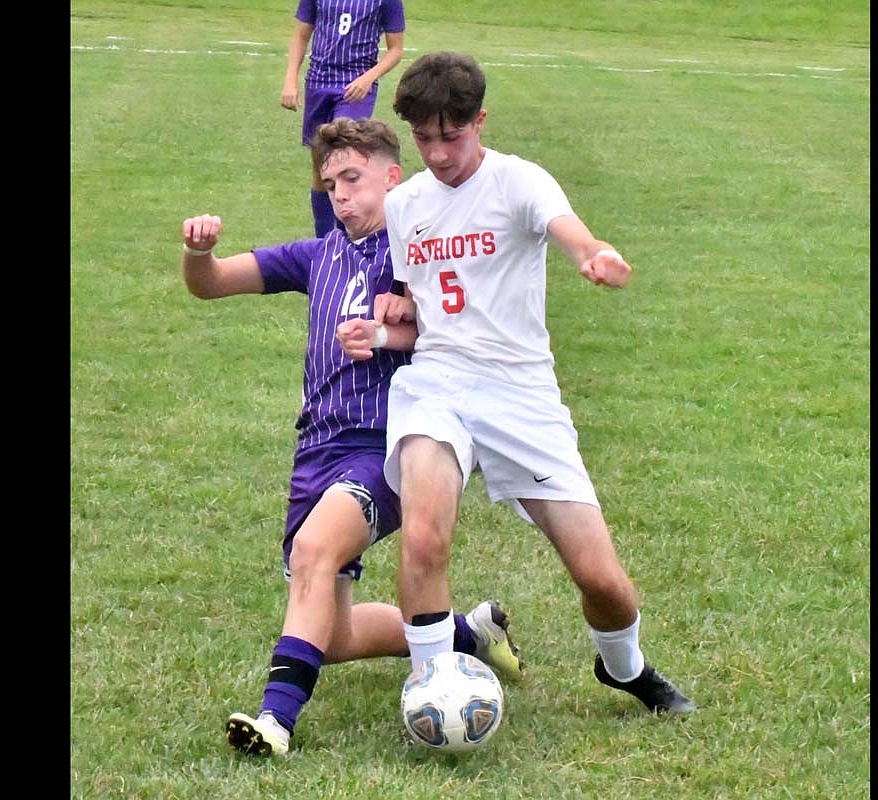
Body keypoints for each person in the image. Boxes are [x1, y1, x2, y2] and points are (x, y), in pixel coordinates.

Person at [336, 52, 695, 715]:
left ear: (481, 121)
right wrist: (389, 316)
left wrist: (597, 256)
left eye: (453, 134)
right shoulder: (405, 204)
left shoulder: (520, 182)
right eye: (424, 137)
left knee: (604, 583)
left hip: (520, 394)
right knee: (424, 535)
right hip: (436, 386)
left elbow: (573, 236)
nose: (439, 153)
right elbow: (417, 302)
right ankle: (432, 689)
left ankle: (624, 668)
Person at [179, 117, 522, 758]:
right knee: (330, 636)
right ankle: (468, 636)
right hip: (315, 449)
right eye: (330, 182)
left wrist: (398, 327)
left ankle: (276, 720)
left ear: (394, 178)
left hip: (386, 449)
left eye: (353, 179)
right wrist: (199, 252)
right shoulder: (317, 256)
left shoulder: (418, 252)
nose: (339, 194)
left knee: (314, 550)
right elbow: (213, 284)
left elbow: (463, 331)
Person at [281, 0, 406, 238]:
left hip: (355, 88)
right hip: (318, 83)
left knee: (340, 154)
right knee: (321, 167)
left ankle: (346, 237)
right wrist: (290, 80)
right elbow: (301, 35)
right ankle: (325, 242)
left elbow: (396, 49)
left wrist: (368, 78)